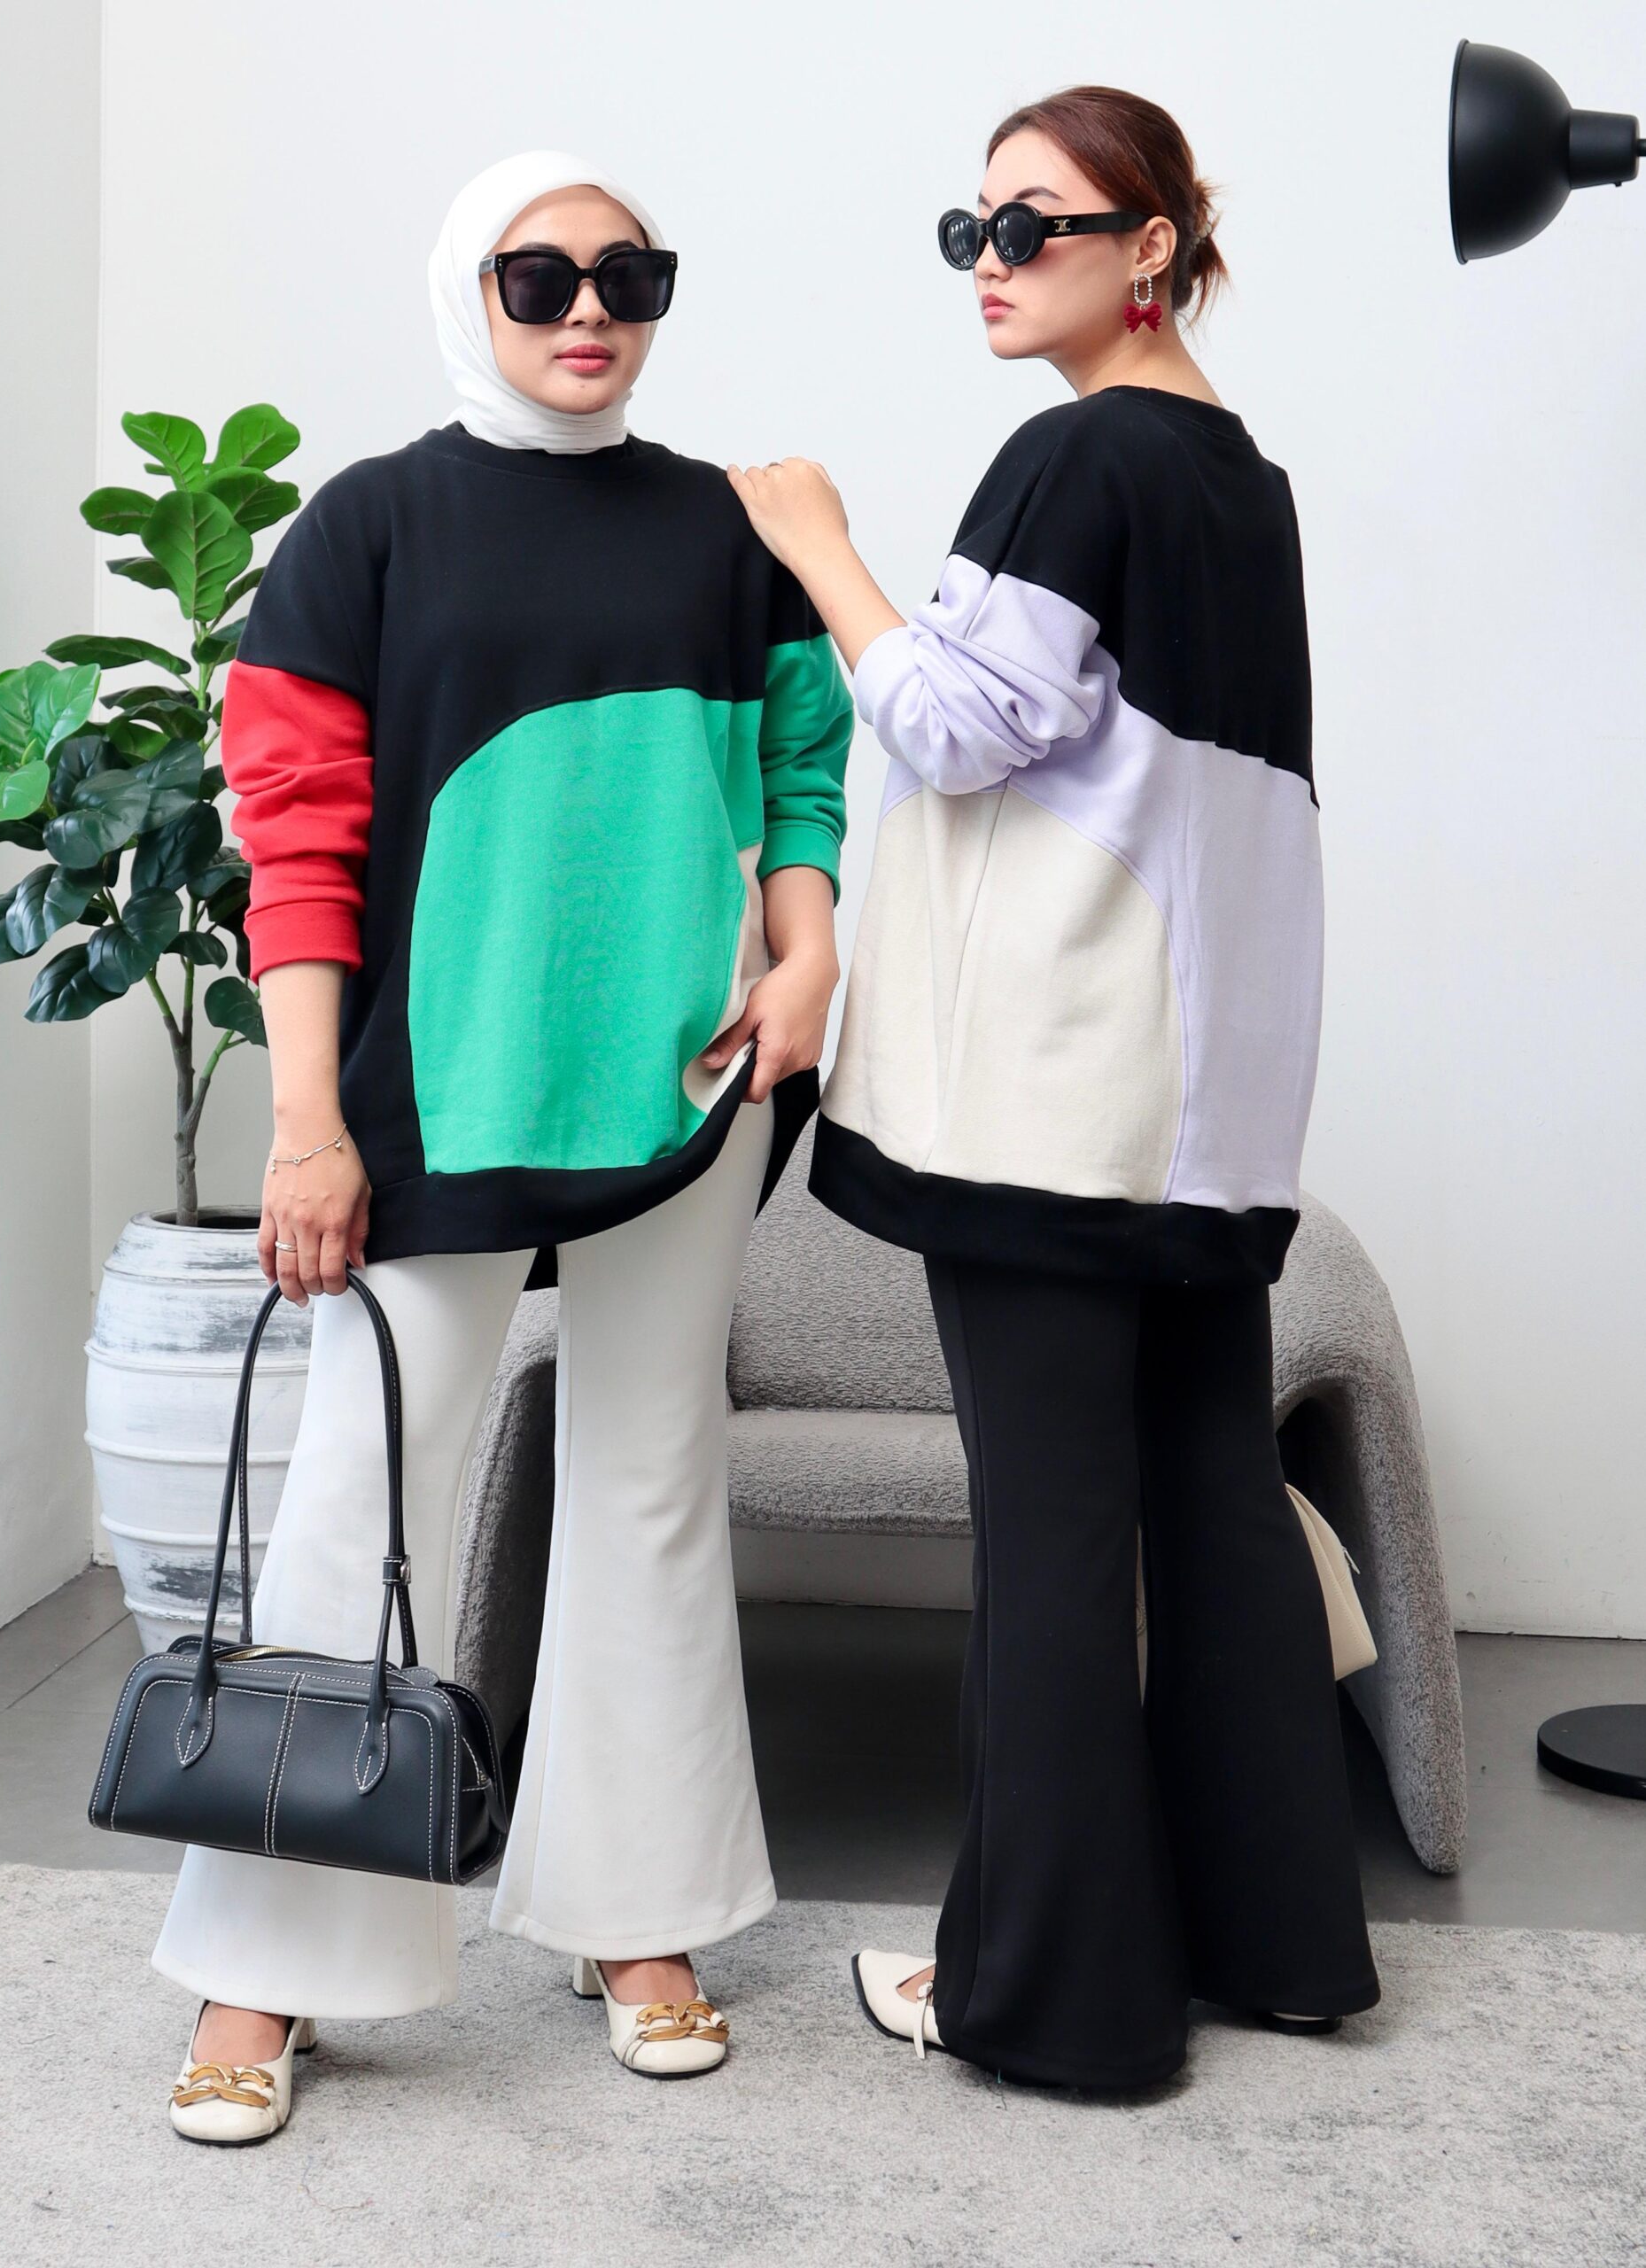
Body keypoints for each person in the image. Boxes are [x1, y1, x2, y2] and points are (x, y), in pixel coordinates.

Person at [153, 150, 852, 2141]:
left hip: (685, 1086)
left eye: (630, 272)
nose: (588, 308)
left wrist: (808, 946)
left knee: (650, 1486)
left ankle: (638, 1916)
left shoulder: (725, 528)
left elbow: (801, 766)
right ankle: (269, 1963)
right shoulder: (368, 523)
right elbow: (295, 843)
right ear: (471, 288)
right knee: (354, 1503)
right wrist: (305, 1122)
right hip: (425, 1100)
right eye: (540, 275)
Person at [729, 84, 1378, 2090]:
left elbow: (954, 722)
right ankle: (1278, 1941)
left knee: (1053, 1536)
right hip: (1202, 1102)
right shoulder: (1242, 479)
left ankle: (1051, 1997)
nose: (992, 265)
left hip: (1049, 1095)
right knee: (1211, 1496)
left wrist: (818, 547)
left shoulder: (1073, 454)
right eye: (973, 230)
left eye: (1035, 227)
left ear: (1150, 248)